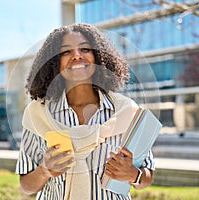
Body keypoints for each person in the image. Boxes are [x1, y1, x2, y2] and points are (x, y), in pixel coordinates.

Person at [15, 23, 155, 200]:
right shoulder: (37, 115)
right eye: (66, 52)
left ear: (98, 57)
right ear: (54, 62)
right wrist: (44, 171)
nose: (76, 56)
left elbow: (147, 175)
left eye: (85, 49)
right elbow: (26, 186)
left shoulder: (128, 111)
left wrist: (134, 174)